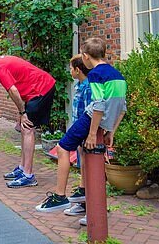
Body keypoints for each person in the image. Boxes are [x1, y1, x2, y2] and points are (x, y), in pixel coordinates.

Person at [35, 37, 127, 220]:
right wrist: (111, 132)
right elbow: (122, 108)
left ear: (85, 56)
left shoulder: (95, 74)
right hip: (106, 122)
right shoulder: (118, 75)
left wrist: (93, 133)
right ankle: (84, 191)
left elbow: (99, 104)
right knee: (84, 154)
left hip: (91, 118)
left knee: (62, 148)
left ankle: (59, 195)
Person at [0, 47, 56, 187]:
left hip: (41, 89)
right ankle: (22, 169)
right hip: (35, 90)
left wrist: (23, 112)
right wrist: (20, 113)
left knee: (28, 128)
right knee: (24, 129)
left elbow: (13, 90)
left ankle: (28, 175)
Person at [63, 54, 92, 220]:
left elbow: (90, 112)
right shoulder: (80, 85)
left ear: (78, 70)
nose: (70, 71)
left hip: (86, 134)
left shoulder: (88, 88)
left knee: (89, 170)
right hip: (79, 134)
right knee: (83, 168)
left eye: (71, 68)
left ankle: (93, 209)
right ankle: (83, 204)